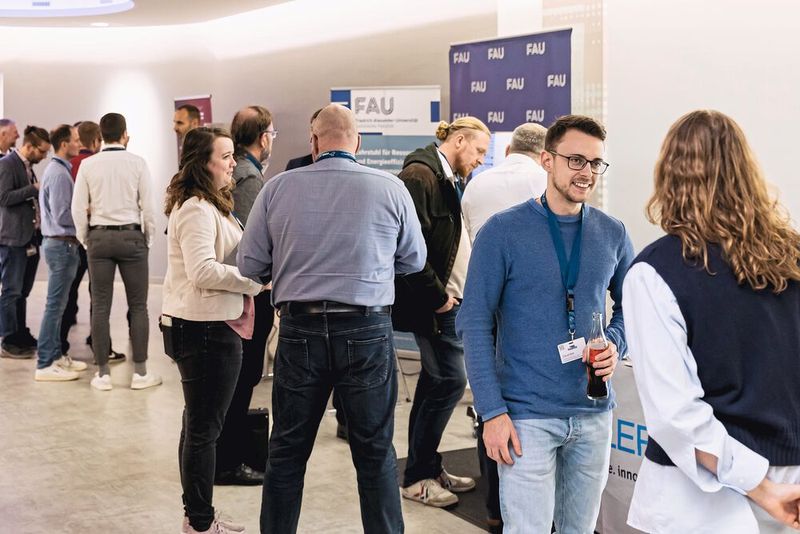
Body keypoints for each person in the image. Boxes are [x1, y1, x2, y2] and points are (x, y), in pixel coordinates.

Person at [238, 103, 425, 534]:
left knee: (286, 450)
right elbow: (414, 259)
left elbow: (250, 263)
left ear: (314, 142)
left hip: (299, 328)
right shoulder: (390, 187)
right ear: (357, 142)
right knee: (375, 451)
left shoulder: (278, 188)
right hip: (366, 328)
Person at [623, 110, 800, 533]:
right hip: (790, 486)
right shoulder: (791, 257)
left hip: (700, 500)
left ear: (668, 176)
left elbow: (675, 415)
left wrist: (759, 486)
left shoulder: (656, 271)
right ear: (747, 169)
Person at [457, 114, 634, 533]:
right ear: (546, 160)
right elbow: (475, 323)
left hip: (592, 412)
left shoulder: (612, 232)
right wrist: (492, 413)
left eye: (595, 163)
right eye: (575, 160)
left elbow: (633, 308)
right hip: (525, 417)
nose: (586, 172)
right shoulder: (503, 231)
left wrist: (616, 343)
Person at [163, 126, 264, 534]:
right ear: (203, 163)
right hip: (204, 330)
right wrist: (254, 281)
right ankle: (201, 523)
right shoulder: (194, 209)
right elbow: (203, 271)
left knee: (199, 425)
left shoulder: (210, 205)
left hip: (209, 326)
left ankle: (197, 516)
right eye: (224, 157)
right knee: (204, 431)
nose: (232, 164)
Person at [393, 116, 490, 507]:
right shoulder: (421, 175)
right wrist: (437, 297)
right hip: (437, 304)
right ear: (460, 140)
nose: (482, 160)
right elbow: (409, 246)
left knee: (436, 384)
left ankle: (426, 470)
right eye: (480, 150)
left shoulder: (444, 176)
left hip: (447, 301)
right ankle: (417, 476)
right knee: (451, 380)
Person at [458, 121, 548, 532]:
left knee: (490, 398)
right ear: (545, 153)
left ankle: (494, 505)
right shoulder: (546, 179)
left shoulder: (477, 182)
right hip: (535, 309)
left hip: (486, 300)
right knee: (532, 399)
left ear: (508, 147)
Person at [72, 112, 159, 391]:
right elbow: (150, 207)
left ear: (100, 137)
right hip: (132, 236)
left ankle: (102, 374)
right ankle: (141, 373)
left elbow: (77, 208)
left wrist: (86, 238)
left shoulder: (87, 164)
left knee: (100, 306)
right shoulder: (138, 163)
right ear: (125, 135)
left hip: (99, 236)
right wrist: (148, 238)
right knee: (139, 306)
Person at [212, 105, 276, 486]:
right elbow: (257, 243)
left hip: (239, 290)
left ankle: (226, 458)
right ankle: (229, 462)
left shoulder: (242, 176)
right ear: (263, 136)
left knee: (240, 377)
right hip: (250, 292)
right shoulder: (250, 180)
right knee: (243, 377)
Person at [61, 120, 126, 363]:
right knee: (99, 295)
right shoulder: (94, 165)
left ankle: (61, 345)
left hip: (77, 238)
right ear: (97, 141)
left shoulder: (71, 165)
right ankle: (100, 344)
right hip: (96, 237)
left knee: (68, 293)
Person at [34, 124, 88, 381]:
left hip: (63, 245)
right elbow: (63, 214)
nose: (80, 143)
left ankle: (55, 356)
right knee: (54, 306)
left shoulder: (59, 171)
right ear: (65, 144)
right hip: (61, 245)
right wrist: (87, 213)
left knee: (59, 304)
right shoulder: (58, 174)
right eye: (76, 140)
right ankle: (45, 364)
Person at [0, 125, 50, 358]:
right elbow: (3, 198)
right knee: (11, 291)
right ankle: (8, 339)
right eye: (41, 151)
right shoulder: (7, 164)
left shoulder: (26, 165)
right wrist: (33, 189)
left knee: (23, 291)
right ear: (29, 147)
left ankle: (20, 332)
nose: (44, 156)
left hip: (30, 237)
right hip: (13, 239)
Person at [461, 122, 548, 243]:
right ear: (546, 157)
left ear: (507, 150)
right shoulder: (549, 184)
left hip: (481, 260)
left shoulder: (475, 184)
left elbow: (465, 235)